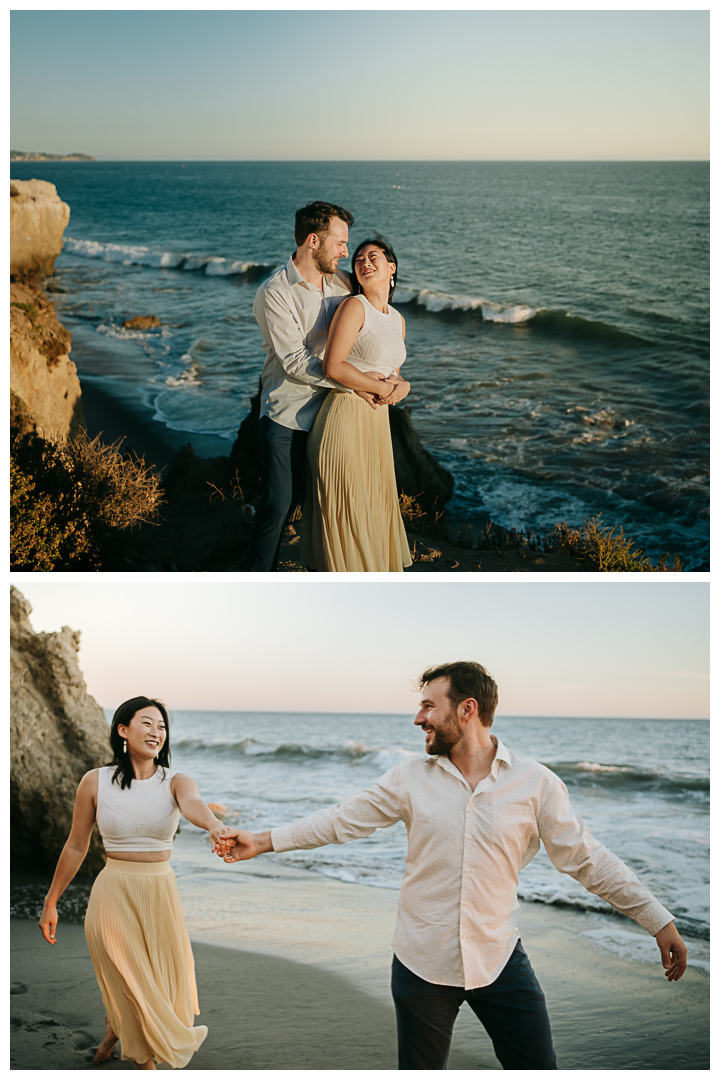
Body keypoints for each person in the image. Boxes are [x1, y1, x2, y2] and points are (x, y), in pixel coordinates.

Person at [217, 661, 688, 1071]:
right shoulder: (408, 777)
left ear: (467, 709)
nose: (418, 717)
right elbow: (341, 821)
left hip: (500, 959)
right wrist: (262, 840)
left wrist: (656, 919)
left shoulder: (535, 783)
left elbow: (585, 858)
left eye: (428, 706)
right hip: (421, 961)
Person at [38, 697, 230, 1070]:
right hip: (112, 892)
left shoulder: (176, 781)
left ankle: (114, 1027)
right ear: (123, 730)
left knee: (158, 981)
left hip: (159, 894)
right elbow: (76, 846)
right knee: (129, 973)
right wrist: (51, 901)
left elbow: (195, 805)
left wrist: (215, 826)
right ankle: (145, 1064)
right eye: (147, 723)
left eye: (161, 726)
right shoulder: (95, 782)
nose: (156, 731)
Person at [249, 200, 390, 572]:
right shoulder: (275, 292)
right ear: (313, 240)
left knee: (326, 505)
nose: (347, 252)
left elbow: (369, 327)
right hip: (287, 415)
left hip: (332, 416)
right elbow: (295, 361)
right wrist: (355, 385)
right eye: (340, 243)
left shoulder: (342, 282)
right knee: (279, 504)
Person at [300, 235, 412, 572]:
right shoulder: (353, 306)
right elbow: (333, 366)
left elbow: (391, 374)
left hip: (376, 424)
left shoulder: (398, 319)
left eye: (373, 256)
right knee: (349, 511)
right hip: (344, 418)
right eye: (358, 258)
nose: (363, 261)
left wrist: (404, 387)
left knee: (372, 509)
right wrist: (373, 387)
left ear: (391, 267)